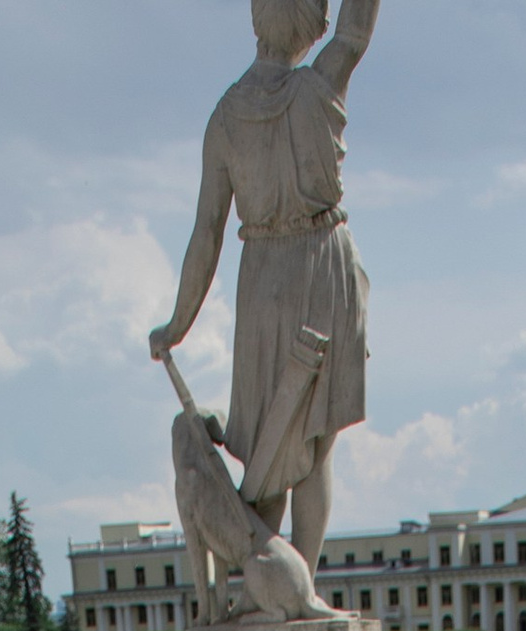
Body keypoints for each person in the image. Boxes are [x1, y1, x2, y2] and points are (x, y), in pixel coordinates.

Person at [151, 0, 378, 568]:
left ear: (257, 19)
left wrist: (178, 323)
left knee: (265, 450)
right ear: (311, 27)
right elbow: (355, 31)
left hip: (262, 280)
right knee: (315, 447)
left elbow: (206, 234)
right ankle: (299, 586)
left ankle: (264, 584)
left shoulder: (225, 118)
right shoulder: (318, 86)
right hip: (323, 264)